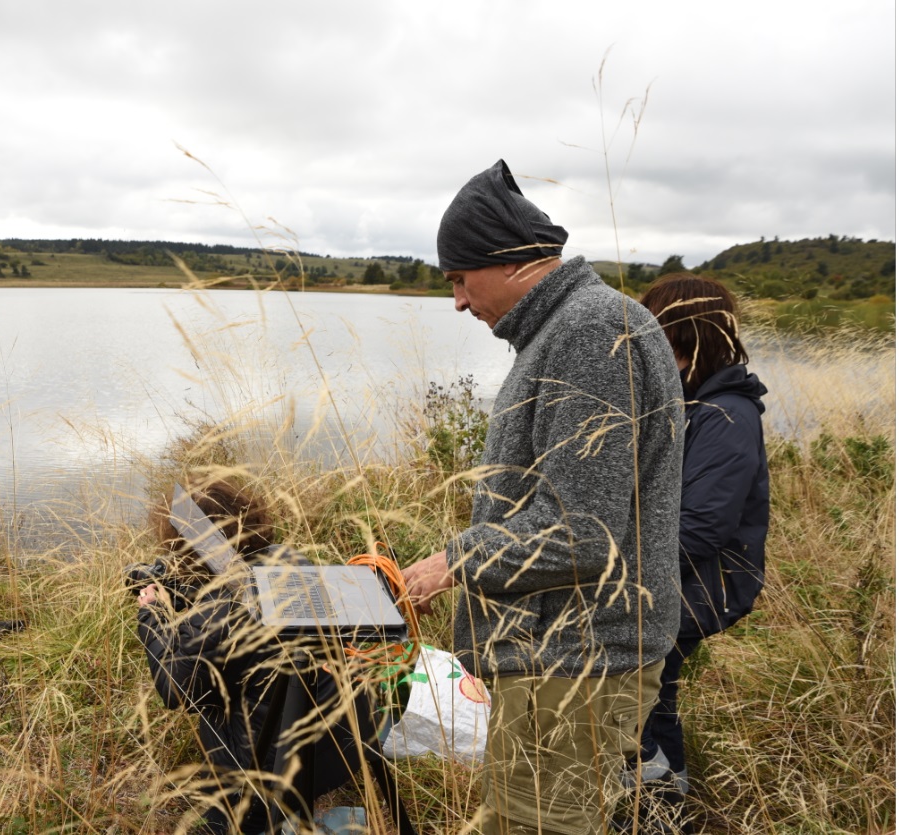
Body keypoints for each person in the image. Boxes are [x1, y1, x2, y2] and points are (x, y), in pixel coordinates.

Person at [401, 160, 686, 835]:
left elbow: (581, 530)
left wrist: (453, 562)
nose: (459, 302)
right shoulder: (570, 327)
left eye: (458, 279)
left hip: (573, 663)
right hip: (560, 660)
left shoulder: (586, 334)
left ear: (505, 262)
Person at [134, 480, 377, 834]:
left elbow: (175, 688)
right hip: (346, 744)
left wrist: (152, 615)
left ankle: (235, 817)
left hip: (273, 776)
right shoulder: (288, 559)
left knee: (207, 698)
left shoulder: (220, 609)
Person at [631, 273, 769, 827]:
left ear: (685, 339)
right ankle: (654, 805)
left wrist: (618, 572)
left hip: (695, 591)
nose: (641, 347)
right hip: (675, 585)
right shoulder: (695, 404)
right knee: (649, 699)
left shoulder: (726, 418)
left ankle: (662, 812)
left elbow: (699, 530)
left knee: (647, 703)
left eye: (653, 334)